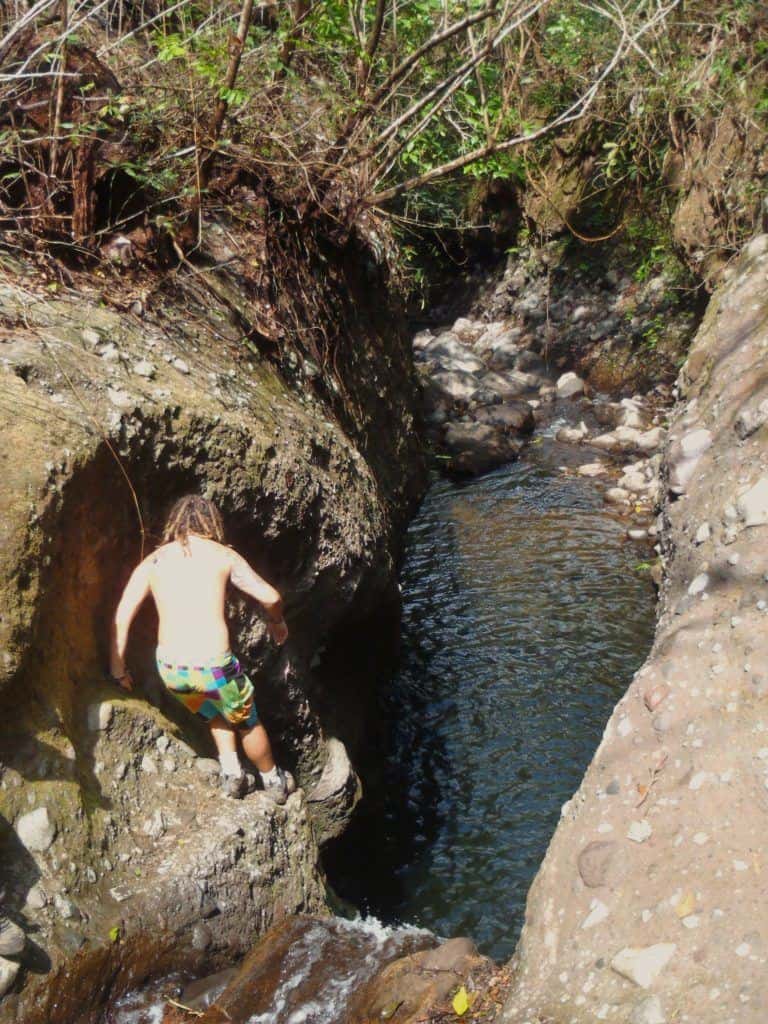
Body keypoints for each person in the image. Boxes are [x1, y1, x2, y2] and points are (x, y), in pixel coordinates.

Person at [109, 494, 296, 803]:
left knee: (214, 712)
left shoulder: (152, 561)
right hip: (215, 668)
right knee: (247, 721)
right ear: (212, 524)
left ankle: (233, 775)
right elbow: (271, 596)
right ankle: (273, 780)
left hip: (172, 669)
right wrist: (275, 622)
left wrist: (118, 669)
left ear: (175, 523)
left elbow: (122, 614)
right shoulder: (223, 555)